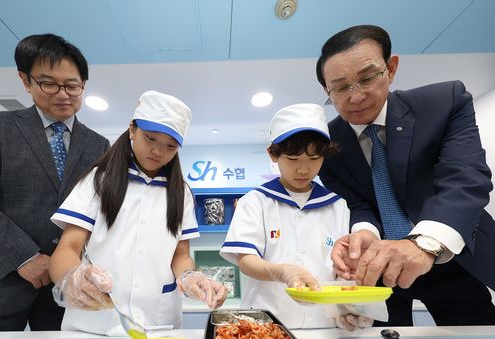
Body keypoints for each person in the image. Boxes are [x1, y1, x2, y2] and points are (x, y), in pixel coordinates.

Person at [316, 24, 495, 326]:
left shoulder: (443, 102)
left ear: (391, 68)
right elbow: (357, 203)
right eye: (340, 86)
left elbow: (466, 179)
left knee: (475, 329)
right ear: (327, 90)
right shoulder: (328, 142)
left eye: (367, 78)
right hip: (379, 264)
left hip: (451, 250)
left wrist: (423, 244)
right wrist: (364, 234)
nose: (356, 96)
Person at [0, 33, 110, 332]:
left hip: (68, 290)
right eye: (49, 83)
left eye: (72, 85)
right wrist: (24, 256)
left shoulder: (98, 145)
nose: (63, 94)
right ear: (26, 80)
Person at [48, 90, 228, 336]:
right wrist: (74, 277)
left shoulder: (180, 191)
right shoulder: (98, 179)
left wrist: (189, 276)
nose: (158, 151)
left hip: (158, 321)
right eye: (150, 138)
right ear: (132, 129)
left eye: (170, 146)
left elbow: (181, 253)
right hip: (95, 323)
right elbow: (68, 247)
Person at [220, 103, 373, 330]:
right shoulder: (255, 201)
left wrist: (348, 305)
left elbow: (342, 269)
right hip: (267, 323)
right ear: (273, 154)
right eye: (293, 159)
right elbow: (247, 261)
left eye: (314, 159)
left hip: (326, 325)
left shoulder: (337, 205)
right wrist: (283, 272)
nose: (303, 169)